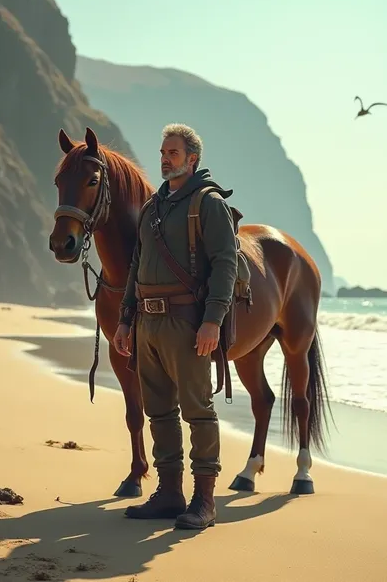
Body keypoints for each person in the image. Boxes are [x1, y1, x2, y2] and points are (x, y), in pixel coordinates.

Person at [113, 123, 238, 530]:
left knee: (198, 411)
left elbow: (225, 263)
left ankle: (204, 501)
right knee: (159, 412)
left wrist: (213, 322)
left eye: (174, 153)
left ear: (192, 159)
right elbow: (135, 266)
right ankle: (169, 494)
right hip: (147, 322)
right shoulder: (153, 205)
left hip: (187, 321)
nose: (165, 158)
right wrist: (126, 319)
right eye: (163, 152)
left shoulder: (208, 202)